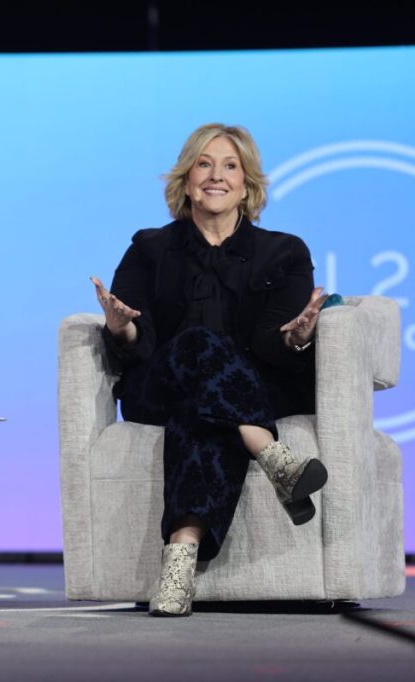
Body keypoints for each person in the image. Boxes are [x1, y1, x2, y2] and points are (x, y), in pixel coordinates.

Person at [90, 123, 329, 617]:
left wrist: (299, 335)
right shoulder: (149, 247)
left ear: (247, 184)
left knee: (200, 418)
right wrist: (120, 327)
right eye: (204, 164)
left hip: (253, 387)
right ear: (186, 179)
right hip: (163, 380)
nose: (215, 176)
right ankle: (269, 451)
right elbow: (141, 340)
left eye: (229, 166)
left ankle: (178, 565)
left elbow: (271, 340)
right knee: (197, 344)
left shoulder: (284, 252)